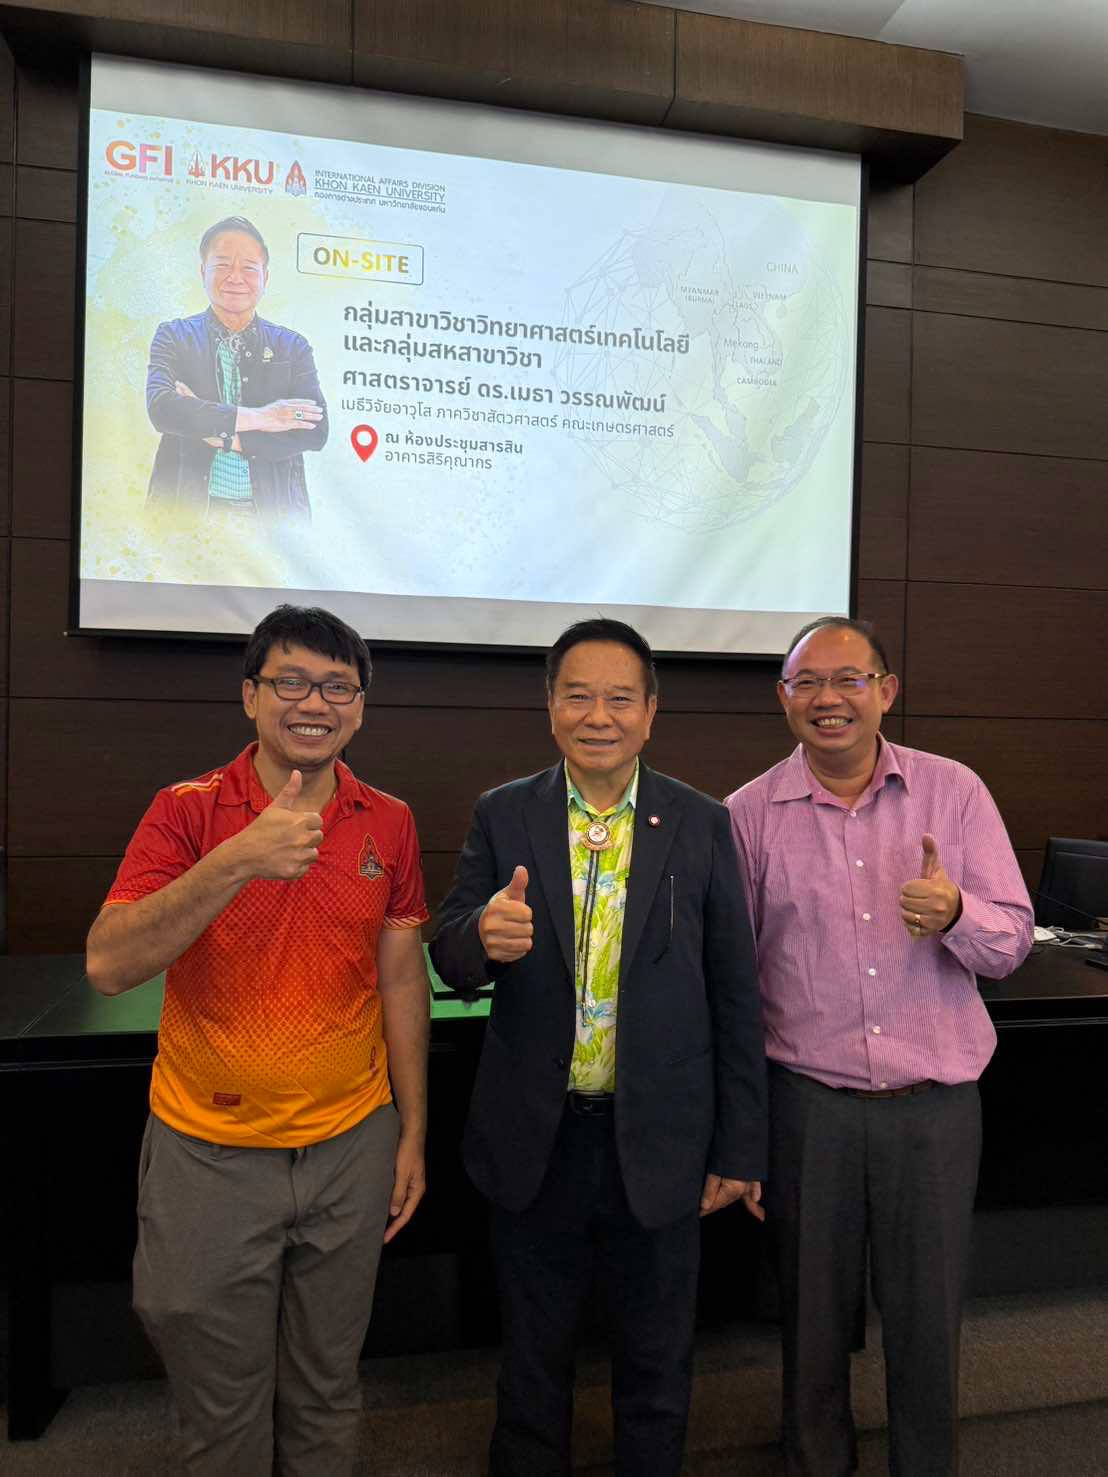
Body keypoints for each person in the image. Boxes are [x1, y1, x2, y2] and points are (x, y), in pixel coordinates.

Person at [85, 604, 430, 1476]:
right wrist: (239, 856)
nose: (314, 702)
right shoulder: (187, 811)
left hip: (351, 1145)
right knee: (221, 1407)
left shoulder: (389, 820)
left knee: (326, 1390)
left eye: (337, 687)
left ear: (359, 708)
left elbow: (400, 980)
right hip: (210, 1150)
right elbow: (109, 963)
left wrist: (412, 1129)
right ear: (250, 696)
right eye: (291, 681)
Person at [430, 617, 767, 1477]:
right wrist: (480, 939)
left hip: (659, 1138)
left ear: (651, 712)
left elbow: (735, 991)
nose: (598, 715)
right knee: (531, 1360)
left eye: (620, 698)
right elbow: (451, 953)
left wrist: (739, 1147)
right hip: (535, 1140)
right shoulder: (505, 812)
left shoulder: (700, 821)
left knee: (656, 1362)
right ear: (550, 706)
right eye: (578, 695)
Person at [725, 616, 1033, 1477]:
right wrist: (739, 1134)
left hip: (934, 1112)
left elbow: (1012, 940)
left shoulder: (954, 792)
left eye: (849, 679)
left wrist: (957, 913)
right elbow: (731, 986)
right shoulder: (746, 814)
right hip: (806, 1111)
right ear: (784, 698)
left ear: (886, 691)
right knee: (811, 1328)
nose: (829, 698)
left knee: (928, 1323)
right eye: (807, 682)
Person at [145, 216, 327, 520]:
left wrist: (226, 438)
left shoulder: (292, 346)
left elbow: (315, 431)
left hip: (273, 521)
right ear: (203, 272)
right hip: (184, 514)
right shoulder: (174, 335)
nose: (235, 277)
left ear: (265, 277)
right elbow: (162, 409)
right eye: (222, 265)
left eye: (249, 268)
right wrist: (266, 417)